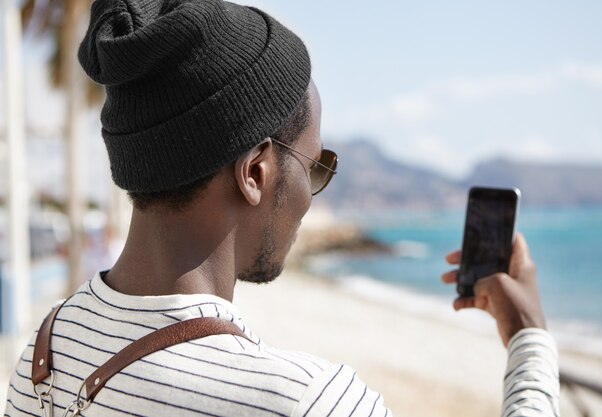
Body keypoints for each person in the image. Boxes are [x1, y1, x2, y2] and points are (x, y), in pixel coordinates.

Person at [4, 0, 559, 416]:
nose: (311, 198)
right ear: (255, 172)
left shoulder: (46, 350)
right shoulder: (307, 402)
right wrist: (529, 335)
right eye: (315, 165)